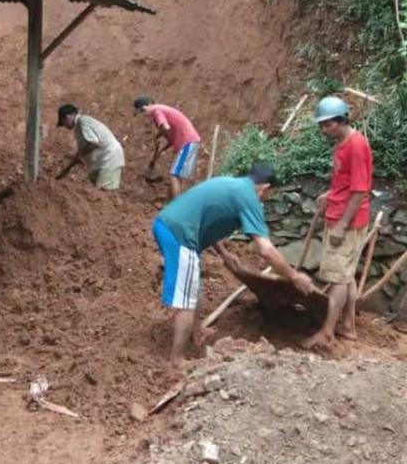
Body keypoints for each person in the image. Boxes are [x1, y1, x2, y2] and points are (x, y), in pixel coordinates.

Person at [152, 163, 313, 369]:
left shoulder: (231, 184)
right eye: (268, 195)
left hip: (170, 225)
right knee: (186, 301)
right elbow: (265, 249)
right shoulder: (249, 198)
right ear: (264, 188)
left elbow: (206, 220)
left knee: (193, 288)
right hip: (180, 234)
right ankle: (177, 359)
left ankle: (197, 332)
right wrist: (294, 276)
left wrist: (224, 254)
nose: (265, 200)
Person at [302, 96, 373, 350]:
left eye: (327, 124)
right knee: (346, 274)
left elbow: (360, 190)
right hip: (339, 212)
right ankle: (348, 326)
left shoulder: (356, 145)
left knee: (338, 277)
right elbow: (346, 183)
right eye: (321, 125)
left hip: (347, 222)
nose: (323, 129)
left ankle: (328, 331)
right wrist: (330, 195)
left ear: (341, 120)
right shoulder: (343, 143)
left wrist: (342, 225)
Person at [134, 95, 201, 198]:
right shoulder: (162, 109)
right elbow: (170, 135)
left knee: (174, 175)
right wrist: (162, 148)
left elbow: (165, 127)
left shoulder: (156, 111)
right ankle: (169, 201)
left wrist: (158, 135)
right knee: (176, 175)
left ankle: (176, 204)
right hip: (189, 141)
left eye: (142, 112)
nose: (144, 115)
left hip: (187, 142)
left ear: (144, 108)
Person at [56, 104, 125, 190]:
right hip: (103, 159)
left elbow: (94, 143)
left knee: (104, 189)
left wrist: (82, 154)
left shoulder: (83, 122)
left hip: (109, 158)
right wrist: (77, 157)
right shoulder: (80, 125)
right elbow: (85, 146)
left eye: (63, 123)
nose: (65, 126)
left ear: (68, 117)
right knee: (94, 179)